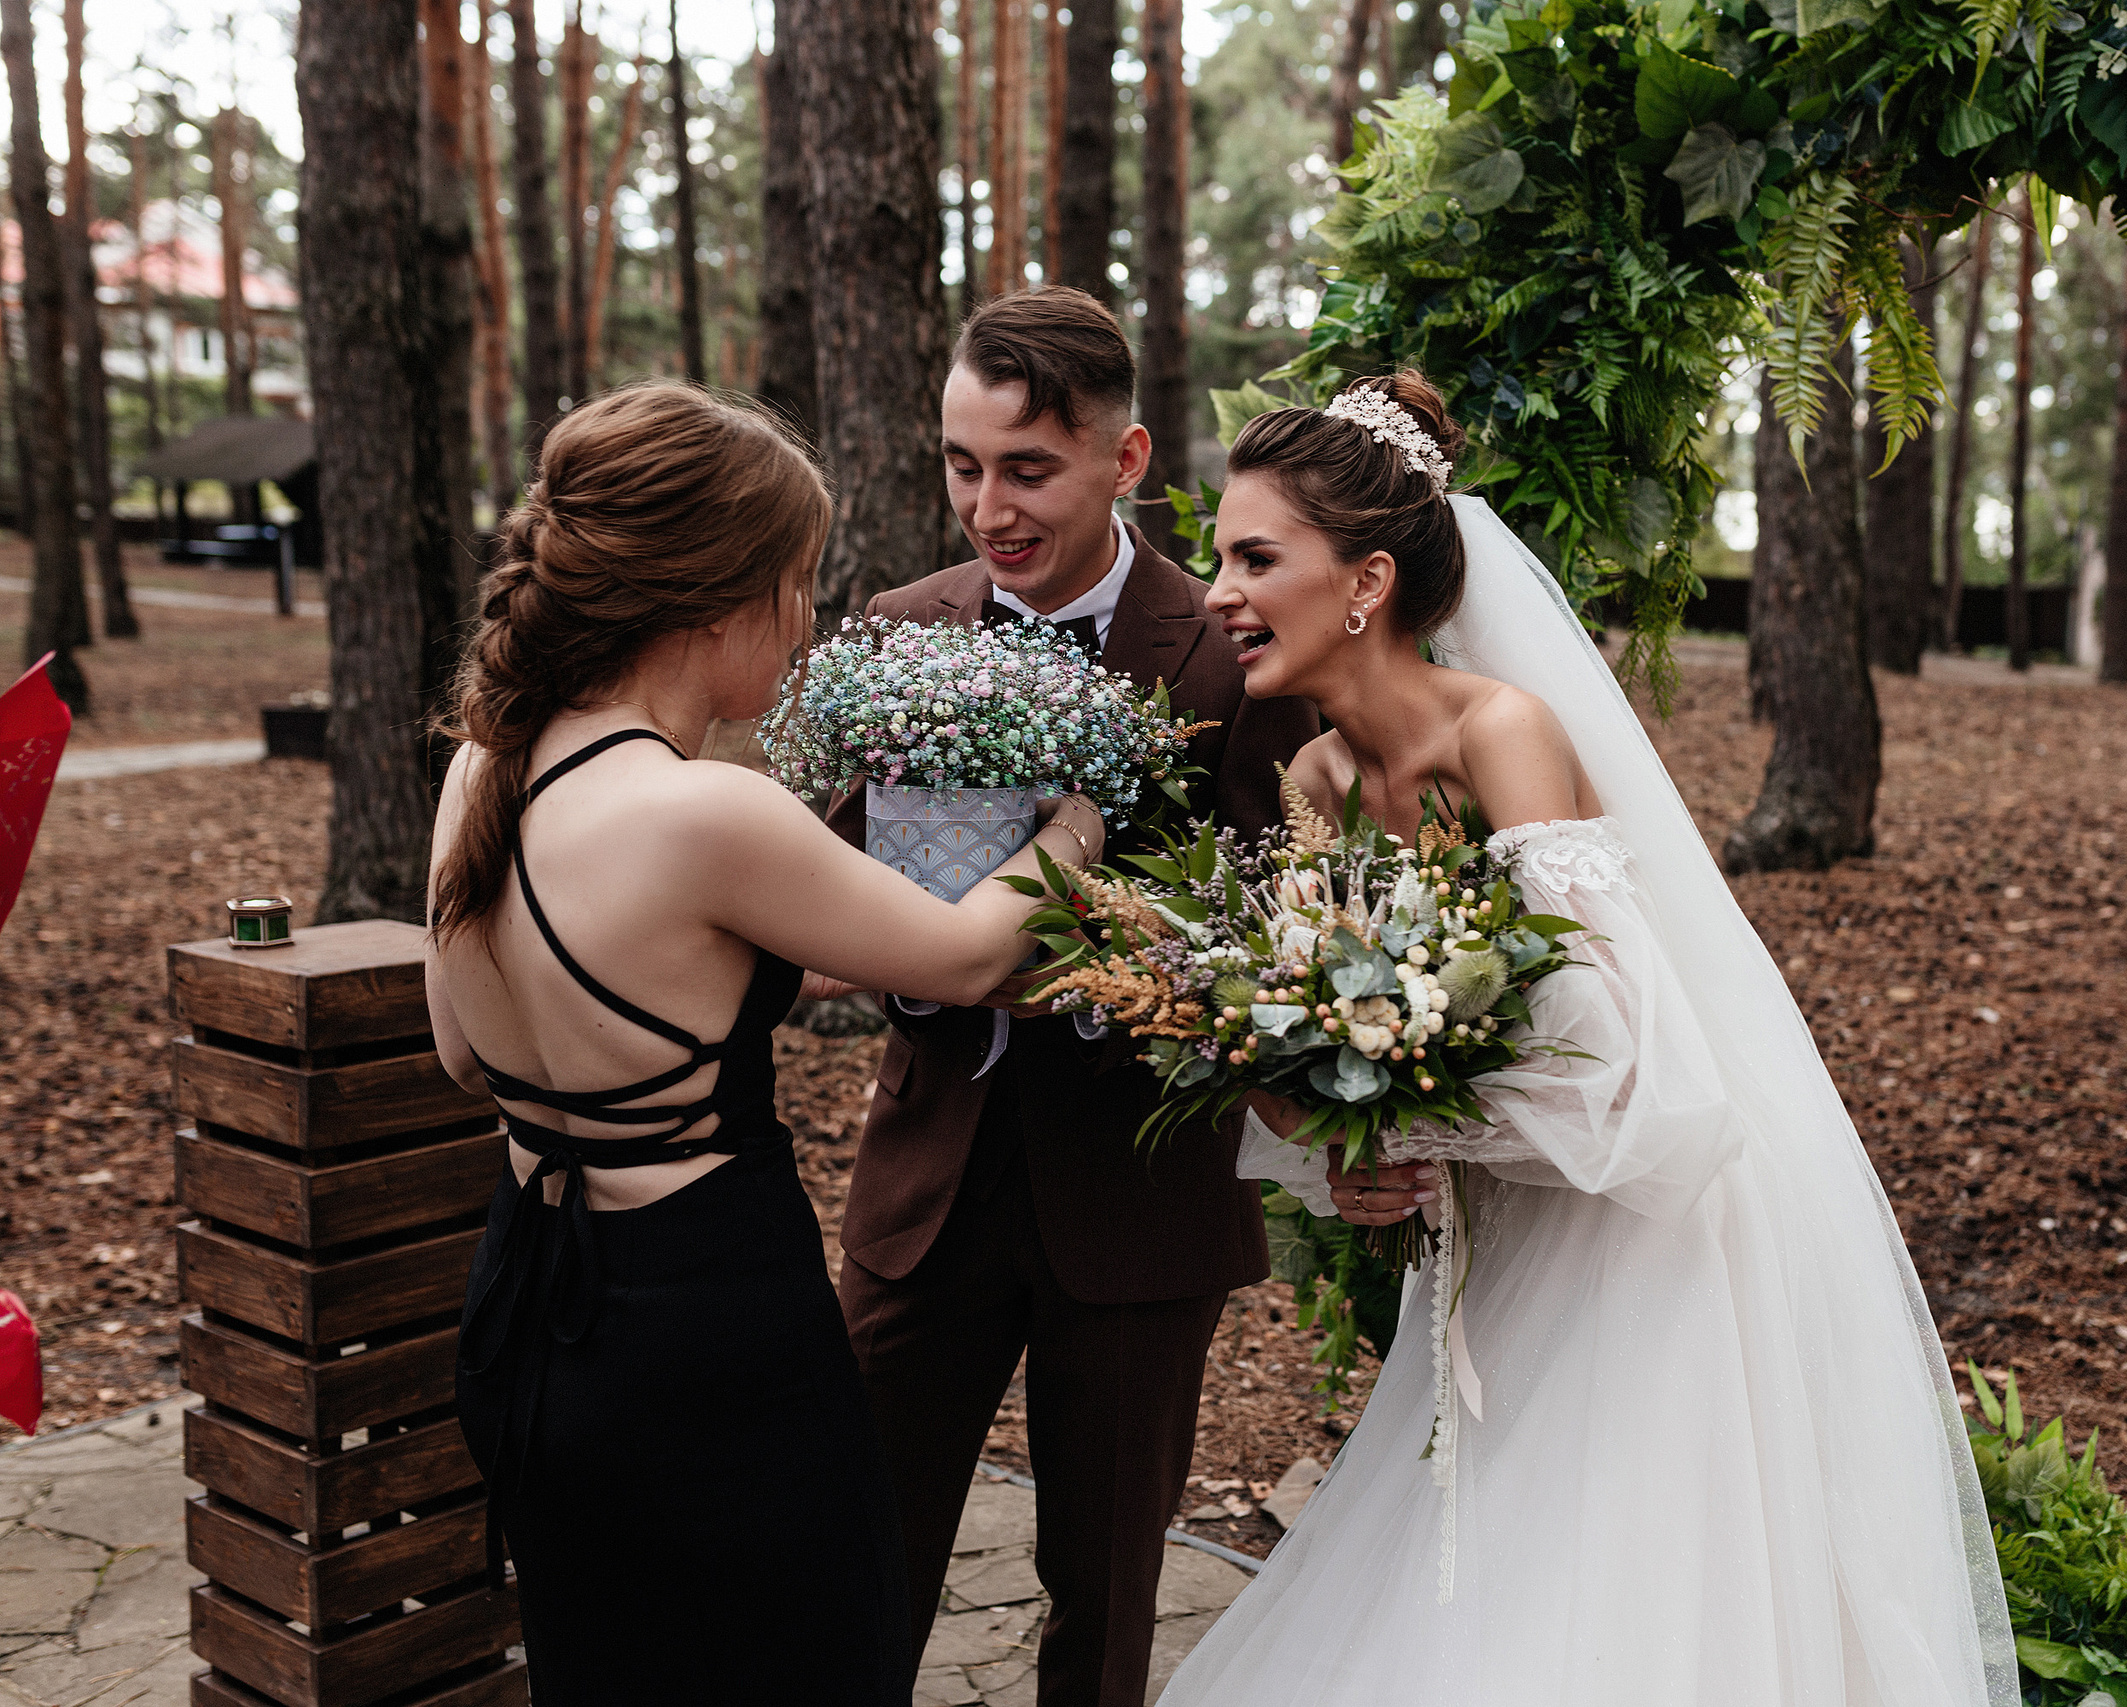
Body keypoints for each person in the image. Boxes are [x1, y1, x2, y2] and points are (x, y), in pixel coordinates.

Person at [1160, 373, 2020, 1706]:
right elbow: (1319, 1042)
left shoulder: (1502, 733)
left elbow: (1617, 1065)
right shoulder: (1318, 781)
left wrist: (1417, 1114)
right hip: (1513, 1233)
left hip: (1655, 1229)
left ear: (1368, 582)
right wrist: (1349, 1150)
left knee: (1601, 1589)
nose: (1217, 589)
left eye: (1254, 557)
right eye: (1222, 556)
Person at [425, 384, 1105, 1707]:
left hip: (528, 1307)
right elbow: (968, 954)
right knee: (803, 1660)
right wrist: (1070, 824)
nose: (805, 625)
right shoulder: (707, 817)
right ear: (716, 599)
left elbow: (466, 1057)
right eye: (796, 584)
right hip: (702, 1328)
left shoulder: (482, 768)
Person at [819, 287, 1320, 1704]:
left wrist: (1132, 976)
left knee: (1102, 1603)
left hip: (1135, 1202)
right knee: (859, 1556)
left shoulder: (1229, 652)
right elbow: (836, 869)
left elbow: (1279, 914)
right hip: (925, 1187)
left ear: (1129, 458)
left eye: (1029, 468)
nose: (991, 509)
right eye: (962, 465)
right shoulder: (902, 624)